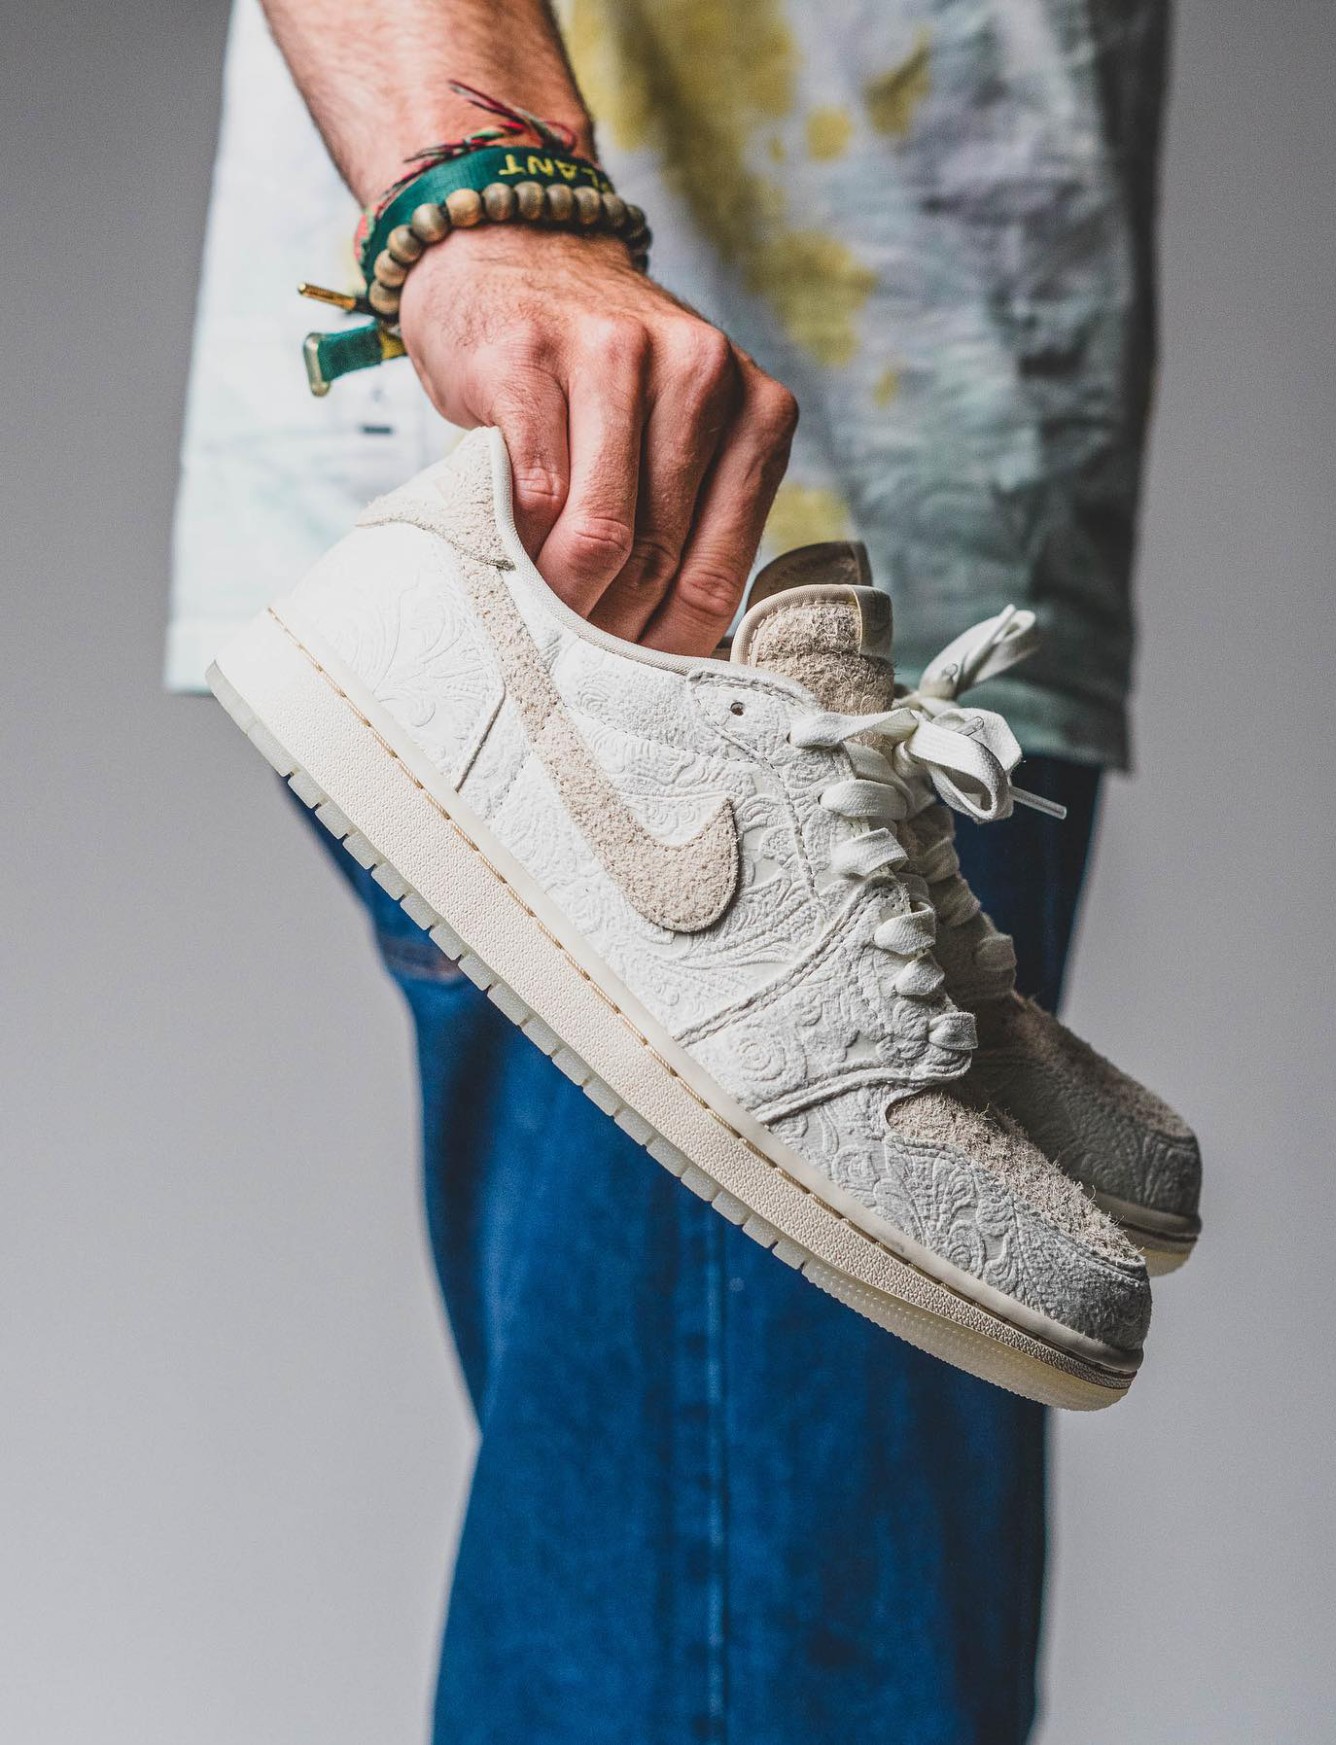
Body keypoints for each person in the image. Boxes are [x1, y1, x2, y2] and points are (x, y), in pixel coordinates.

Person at [171, 0, 1168, 1737]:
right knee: (771, 1664)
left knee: (797, 1631)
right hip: (605, 516)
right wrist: (487, 193)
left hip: (933, 451)